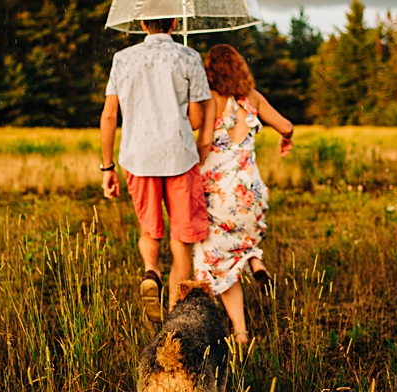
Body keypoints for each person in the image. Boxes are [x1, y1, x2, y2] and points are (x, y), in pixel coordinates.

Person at [100, 18, 216, 323]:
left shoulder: (122, 59)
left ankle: (151, 271)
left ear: (142, 23)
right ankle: (174, 318)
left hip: (138, 156)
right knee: (182, 239)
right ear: (175, 22)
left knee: (149, 228)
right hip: (178, 154)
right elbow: (195, 118)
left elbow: (110, 115)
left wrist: (107, 166)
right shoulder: (188, 56)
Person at [191, 44, 293, 345]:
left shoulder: (212, 98)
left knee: (213, 257)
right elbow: (286, 125)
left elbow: (206, 140)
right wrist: (285, 140)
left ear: (211, 70)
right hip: (251, 190)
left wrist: (191, 159)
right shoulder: (253, 98)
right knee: (239, 244)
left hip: (220, 194)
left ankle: (232, 328)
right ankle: (253, 262)